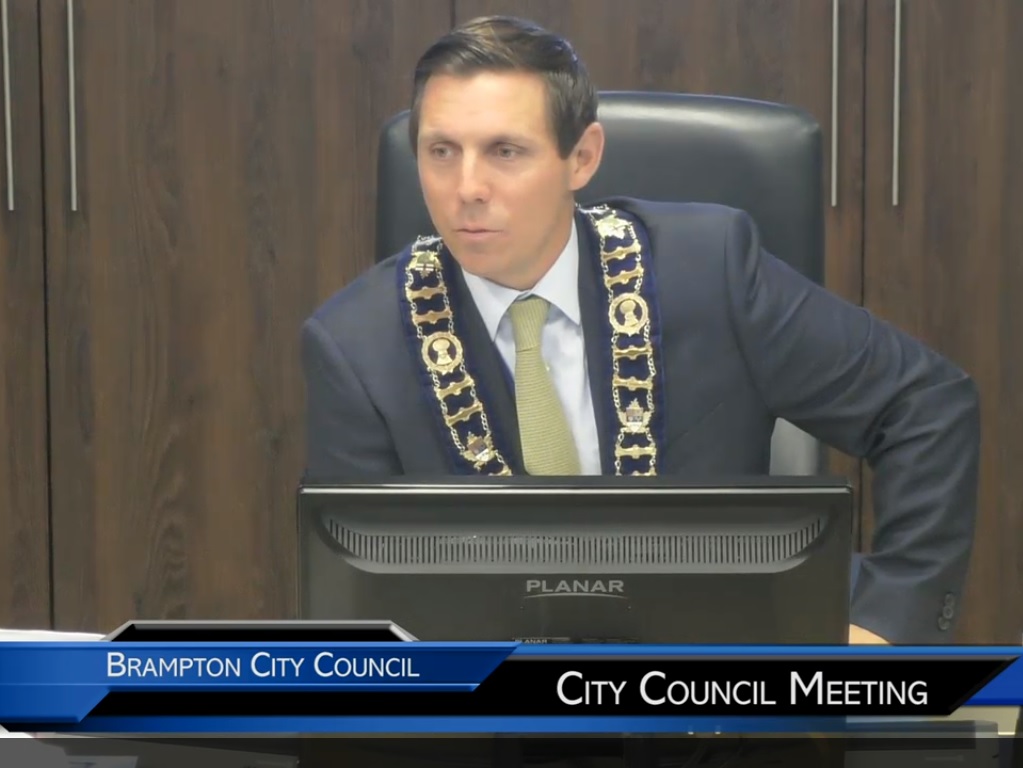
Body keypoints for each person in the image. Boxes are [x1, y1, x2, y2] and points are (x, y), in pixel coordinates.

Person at [300, 16, 980, 646]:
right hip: (490, 709)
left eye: (505, 151)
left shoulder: (708, 269)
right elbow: (364, 607)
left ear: (582, 157)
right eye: (441, 151)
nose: (466, 186)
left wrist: (885, 621)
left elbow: (925, 405)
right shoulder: (356, 346)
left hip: (719, 688)